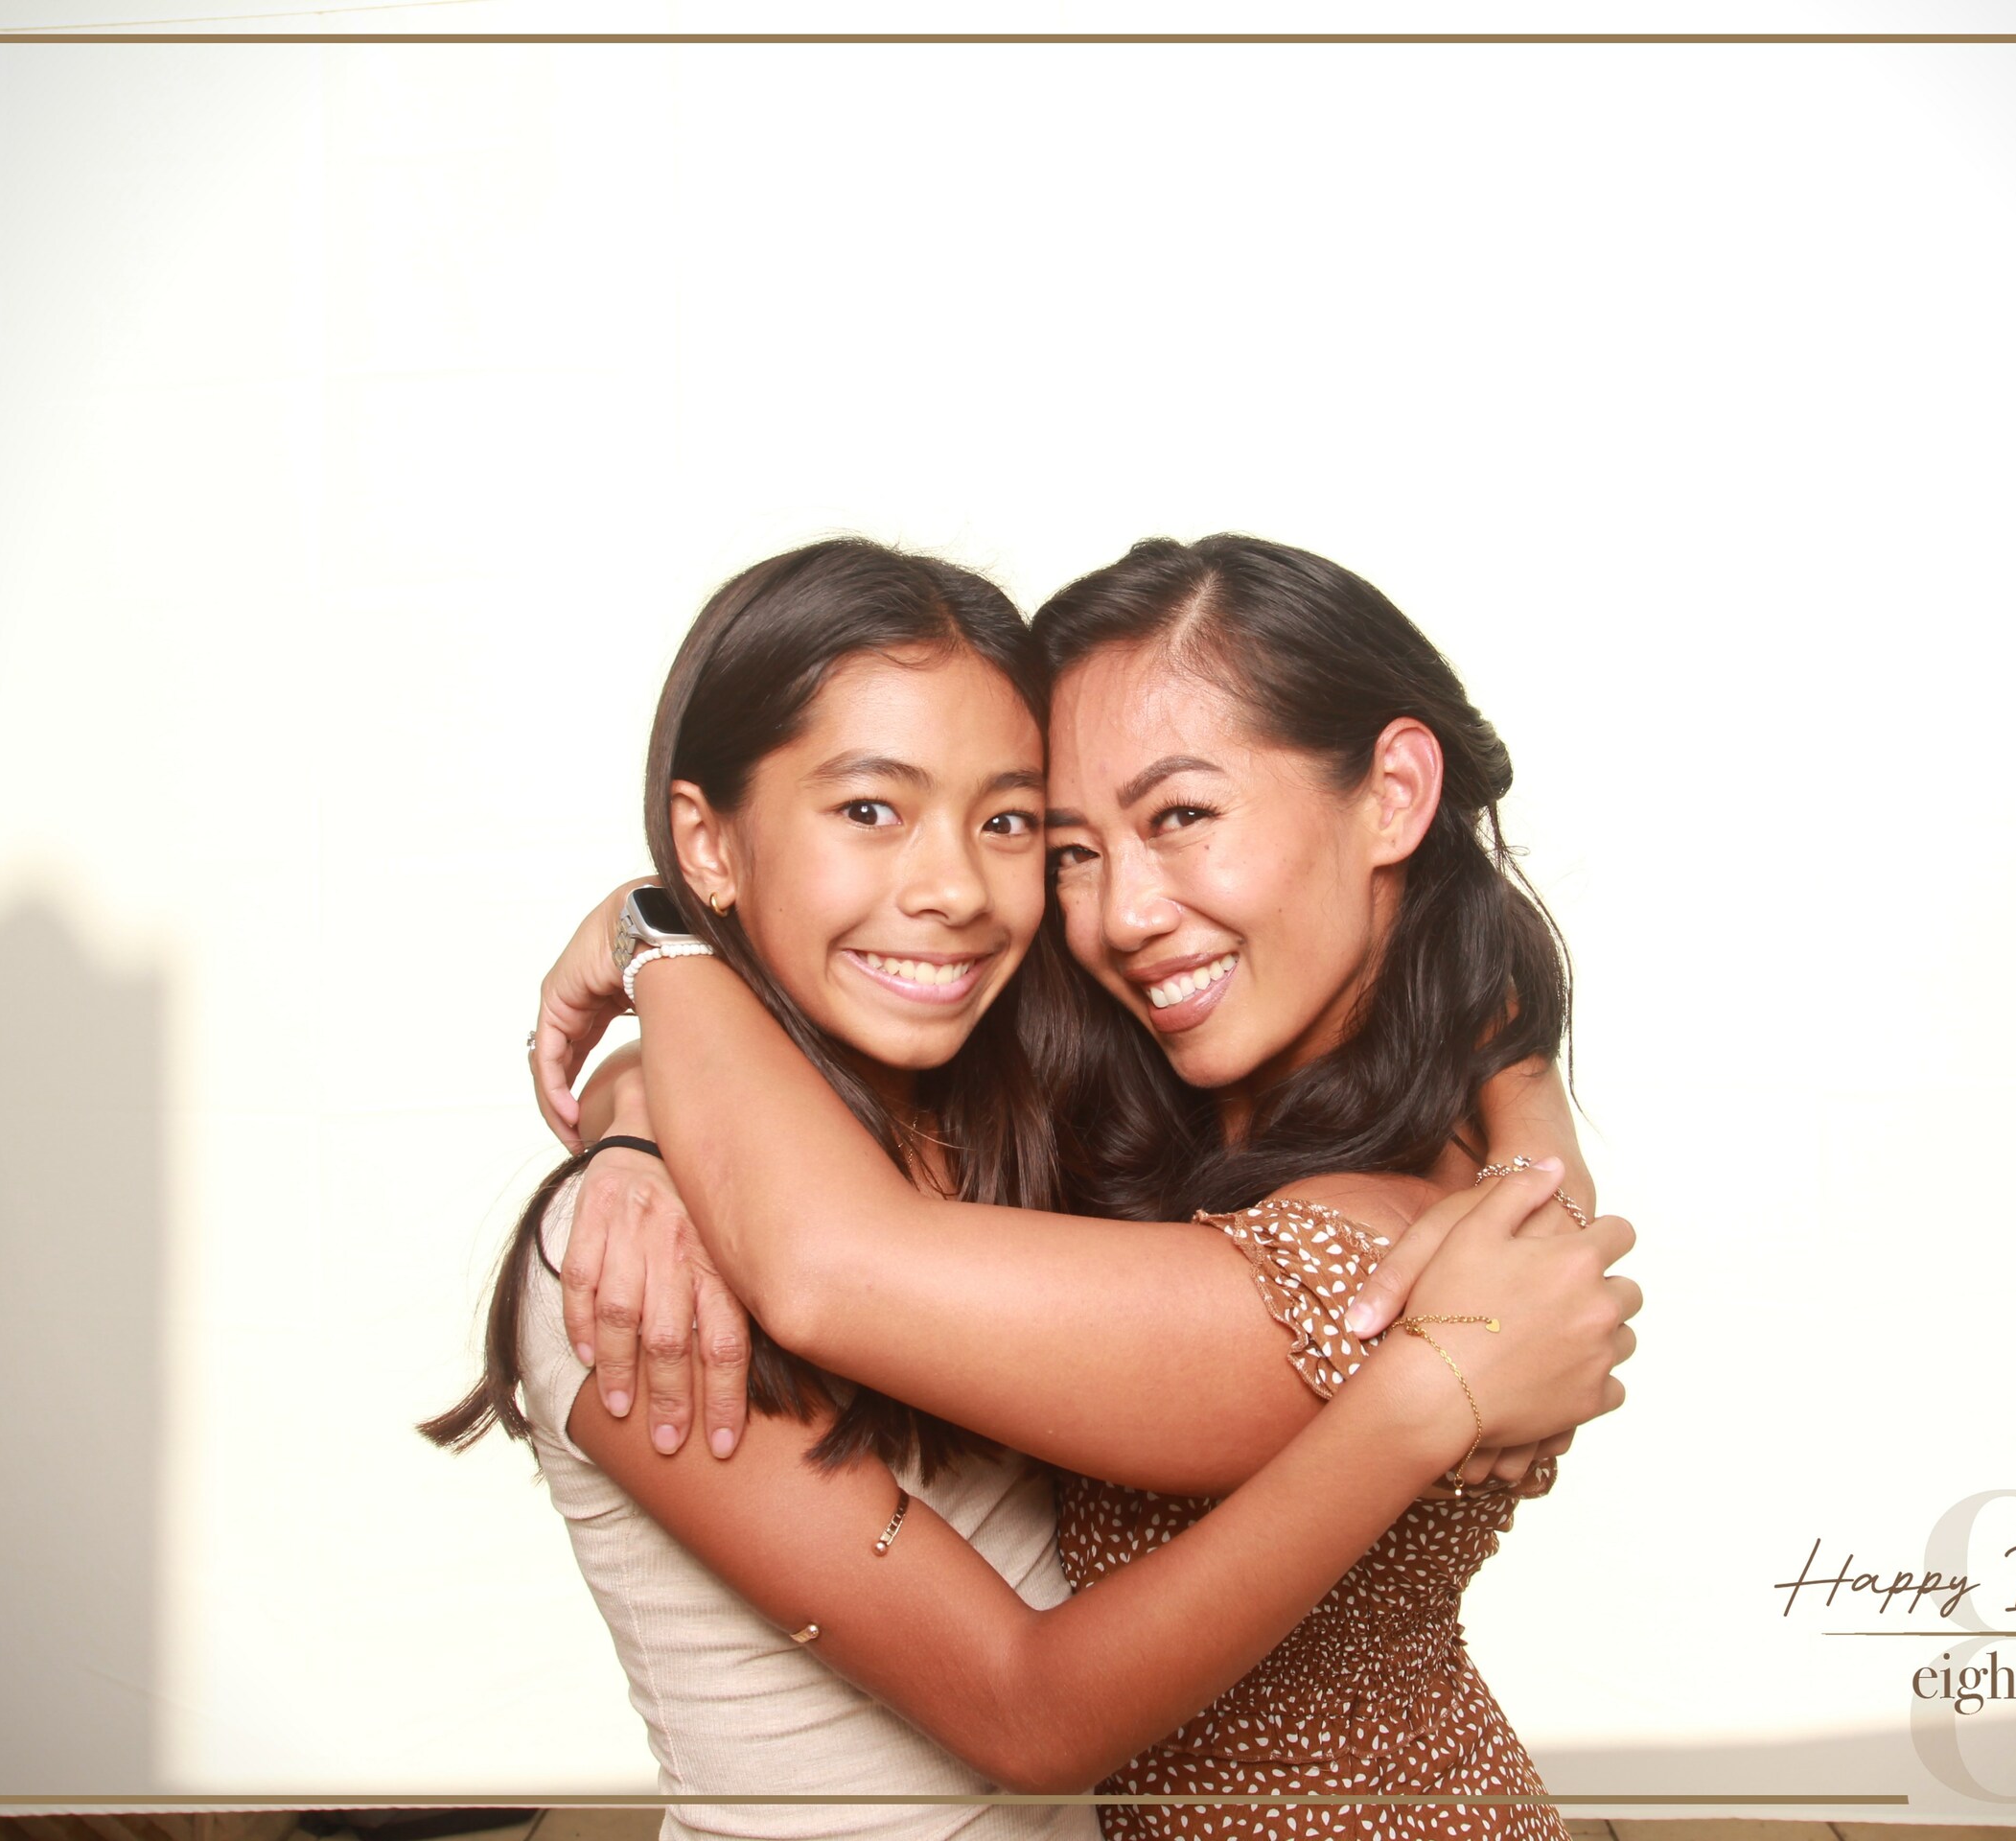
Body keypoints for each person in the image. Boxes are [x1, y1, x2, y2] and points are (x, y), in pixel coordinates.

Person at [427, 539, 1638, 1841]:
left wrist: (663, 944)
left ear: (1394, 796)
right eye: (1065, 844)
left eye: (1180, 816)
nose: (1120, 913)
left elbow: (835, 1273)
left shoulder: (1384, 1265)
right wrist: (641, 1104)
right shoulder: (1087, 1128)